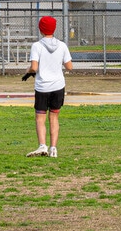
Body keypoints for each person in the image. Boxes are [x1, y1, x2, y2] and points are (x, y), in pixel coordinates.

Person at [23, 16, 73, 158]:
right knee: (54, 117)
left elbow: (34, 67)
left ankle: (42, 145)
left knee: (40, 117)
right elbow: (69, 67)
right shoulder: (62, 45)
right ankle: (53, 148)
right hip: (58, 86)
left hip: (42, 87)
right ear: (54, 28)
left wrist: (28, 71)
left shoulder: (37, 46)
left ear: (40, 29)